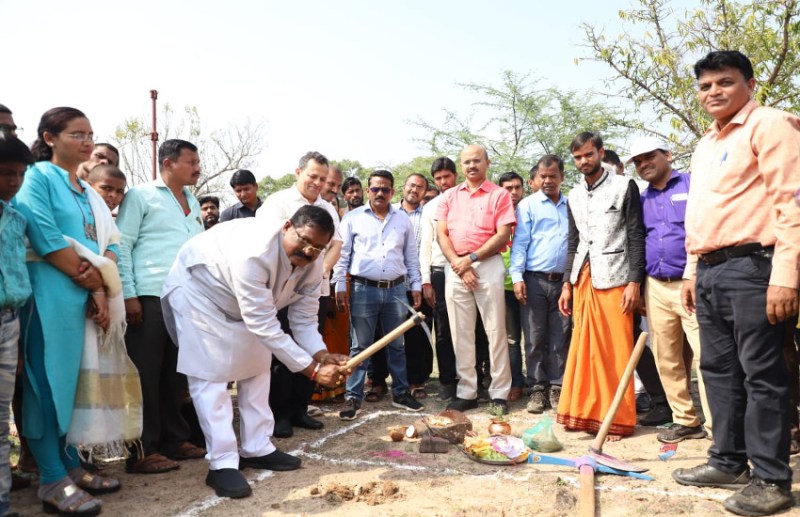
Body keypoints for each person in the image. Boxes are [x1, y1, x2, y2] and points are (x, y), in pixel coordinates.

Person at [673, 50, 800, 517]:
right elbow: (700, 214)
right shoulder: (706, 143)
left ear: (749, 84)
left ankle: (771, 478)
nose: (713, 92)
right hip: (710, 269)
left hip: (755, 267)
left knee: (762, 375)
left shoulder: (772, 125)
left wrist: (786, 276)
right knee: (717, 370)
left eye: (724, 82)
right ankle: (727, 461)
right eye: (705, 86)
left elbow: (793, 204)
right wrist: (692, 270)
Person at [161, 206, 348, 499]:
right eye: (303, 240)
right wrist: (313, 371)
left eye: (317, 248)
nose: (308, 251)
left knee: (259, 369)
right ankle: (222, 462)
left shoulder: (314, 268)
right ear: (287, 227)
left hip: (248, 308)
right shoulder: (254, 253)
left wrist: (322, 355)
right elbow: (262, 323)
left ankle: (257, 447)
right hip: (200, 294)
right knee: (211, 379)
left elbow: (303, 321)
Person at [15, 107, 121, 515]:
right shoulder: (38, 177)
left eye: (90, 134)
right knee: (47, 385)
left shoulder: (85, 188)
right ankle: (50, 477)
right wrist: (95, 284)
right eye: (77, 134)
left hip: (84, 294)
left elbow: (109, 240)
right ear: (49, 137)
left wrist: (99, 287)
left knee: (75, 386)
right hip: (49, 291)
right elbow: (45, 237)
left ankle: (70, 464)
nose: (87, 141)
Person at [116, 139, 206, 474]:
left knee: (175, 373)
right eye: (191, 162)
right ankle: (142, 449)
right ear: (168, 163)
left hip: (185, 298)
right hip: (148, 295)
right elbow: (121, 245)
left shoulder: (192, 201)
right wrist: (129, 295)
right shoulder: (140, 195)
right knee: (145, 374)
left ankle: (174, 439)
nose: (197, 167)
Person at [557, 131, 645, 438]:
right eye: (578, 157)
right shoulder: (573, 194)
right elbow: (574, 242)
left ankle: (616, 419)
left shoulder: (624, 186)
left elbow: (636, 235)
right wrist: (567, 284)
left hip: (617, 278)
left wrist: (635, 282)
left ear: (600, 153)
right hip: (583, 279)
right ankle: (582, 414)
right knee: (585, 351)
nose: (583, 161)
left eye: (588, 154)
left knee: (615, 351)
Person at [626, 136, 711, 443]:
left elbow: (705, 230)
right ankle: (685, 420)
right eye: (638, 161)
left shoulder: (693, 185)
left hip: (692, 283)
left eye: (649, 156)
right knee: (667, 358)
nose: (644, 164)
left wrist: (695, 274)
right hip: (656, 286)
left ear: (668, 155)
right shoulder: (642, 199)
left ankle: (719, 428)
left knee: (707, 357)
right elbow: (638, 240)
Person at [257, 152, 342, 437]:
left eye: (322, 179)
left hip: (314, 286)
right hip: (277, 289)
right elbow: (271, 246)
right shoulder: (278, 202)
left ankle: (300, 409)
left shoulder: (328, 208)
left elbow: (335, 245)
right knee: (280, 351)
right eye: (312, 176)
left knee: (309, 343)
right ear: (298, 173)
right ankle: (279, 414)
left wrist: (318, 269)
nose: (317, 183)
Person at [333, 170, 424, 420]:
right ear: (368, 191)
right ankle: (353, 396)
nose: (380, 193)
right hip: (363, 289)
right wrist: (339, 284)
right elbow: (343, 255)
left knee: (397, 344)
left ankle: (401, 393)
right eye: (375, 189)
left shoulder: (402, 219)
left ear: (392, 192)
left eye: (385, 189)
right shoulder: (352, 219)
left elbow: (411, 256)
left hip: (396, 289)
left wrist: (416, 284)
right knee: (360, 345)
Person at [437, 145, 516, 414]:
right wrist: (460, 264)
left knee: (495, 331)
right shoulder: (449, 196)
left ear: (487, 163)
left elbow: (503, 235)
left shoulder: (499, 194)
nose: (472, 166)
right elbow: (441, 234)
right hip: (456, 267)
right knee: (460, 333)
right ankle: (467, 392)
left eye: (477, 161)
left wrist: (470, 259)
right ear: (461, 166)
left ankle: (499, 393)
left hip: (487, 265)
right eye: (467, 162)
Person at [510, 155, 571, 414]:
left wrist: (571, 281)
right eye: (543, 176)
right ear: (536, 178)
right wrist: (517, 277)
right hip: (534, 280)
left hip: (564, 283)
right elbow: (520, 244)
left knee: (560, 336)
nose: (547, 180)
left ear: (562, 177)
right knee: (534, 336)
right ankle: (536, 388)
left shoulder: (572, 205)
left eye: (552, 176)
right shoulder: (528, 205)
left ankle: (557, 386)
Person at [0, 133, 34, 517]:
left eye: (20, 174)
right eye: (6, 173)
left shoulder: (16, 219)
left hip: (9, 323)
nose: (14, 181)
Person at [498, 171, 525, 402]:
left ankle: (541, 383)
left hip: (529, 283)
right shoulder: (495, 214)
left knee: (537, 338)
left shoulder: (528, 212)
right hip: (504, 287)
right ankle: (516, 382)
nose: (513, 192)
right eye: (508, 188)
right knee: (511, 339)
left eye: (517, 187)